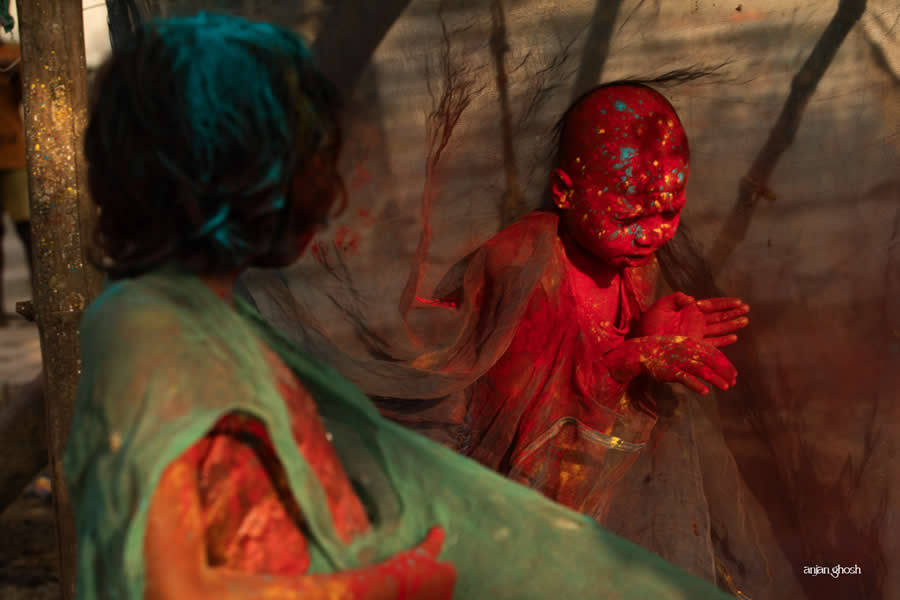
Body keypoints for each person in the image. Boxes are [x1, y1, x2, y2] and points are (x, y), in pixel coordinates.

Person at [64, 13, 734, 600]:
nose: (338, 185)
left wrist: (632, 348)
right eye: (313, 156)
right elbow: (171, 587)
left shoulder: (202, 316)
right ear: (234, 172)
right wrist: (382, 587)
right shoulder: (152, 334)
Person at [245, 81, 751, 523]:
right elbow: (518, 435)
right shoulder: (527, 268)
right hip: (499, 494)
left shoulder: (637, 269)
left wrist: (649, 333)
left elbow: (598, 454)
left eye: (668, 211)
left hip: (575, 505)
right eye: (626, 218)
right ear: (564, 192)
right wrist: (626, 360)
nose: (650, 235)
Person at [0, 38, 31, 326]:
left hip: (13, 156)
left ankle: (44, 297)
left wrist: (13, 74)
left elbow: (29, 95)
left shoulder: (12, 53)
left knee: (29, 231)